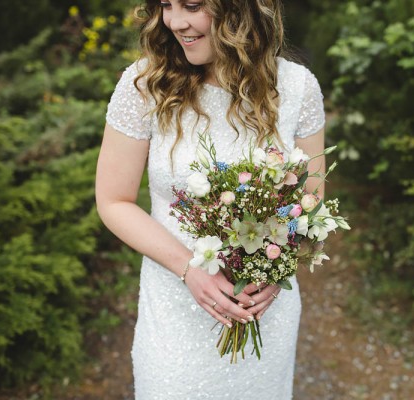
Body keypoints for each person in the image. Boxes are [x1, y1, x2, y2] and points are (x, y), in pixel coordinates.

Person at [95, 0, 325, 398]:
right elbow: (114, 200)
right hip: (174, 310)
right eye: (167, 5)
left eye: (193, 5)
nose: (176, 21)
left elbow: (311, 207)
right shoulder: (146, 85)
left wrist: (278, 269)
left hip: (263, 312)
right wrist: (190, 270)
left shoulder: (297, 88)